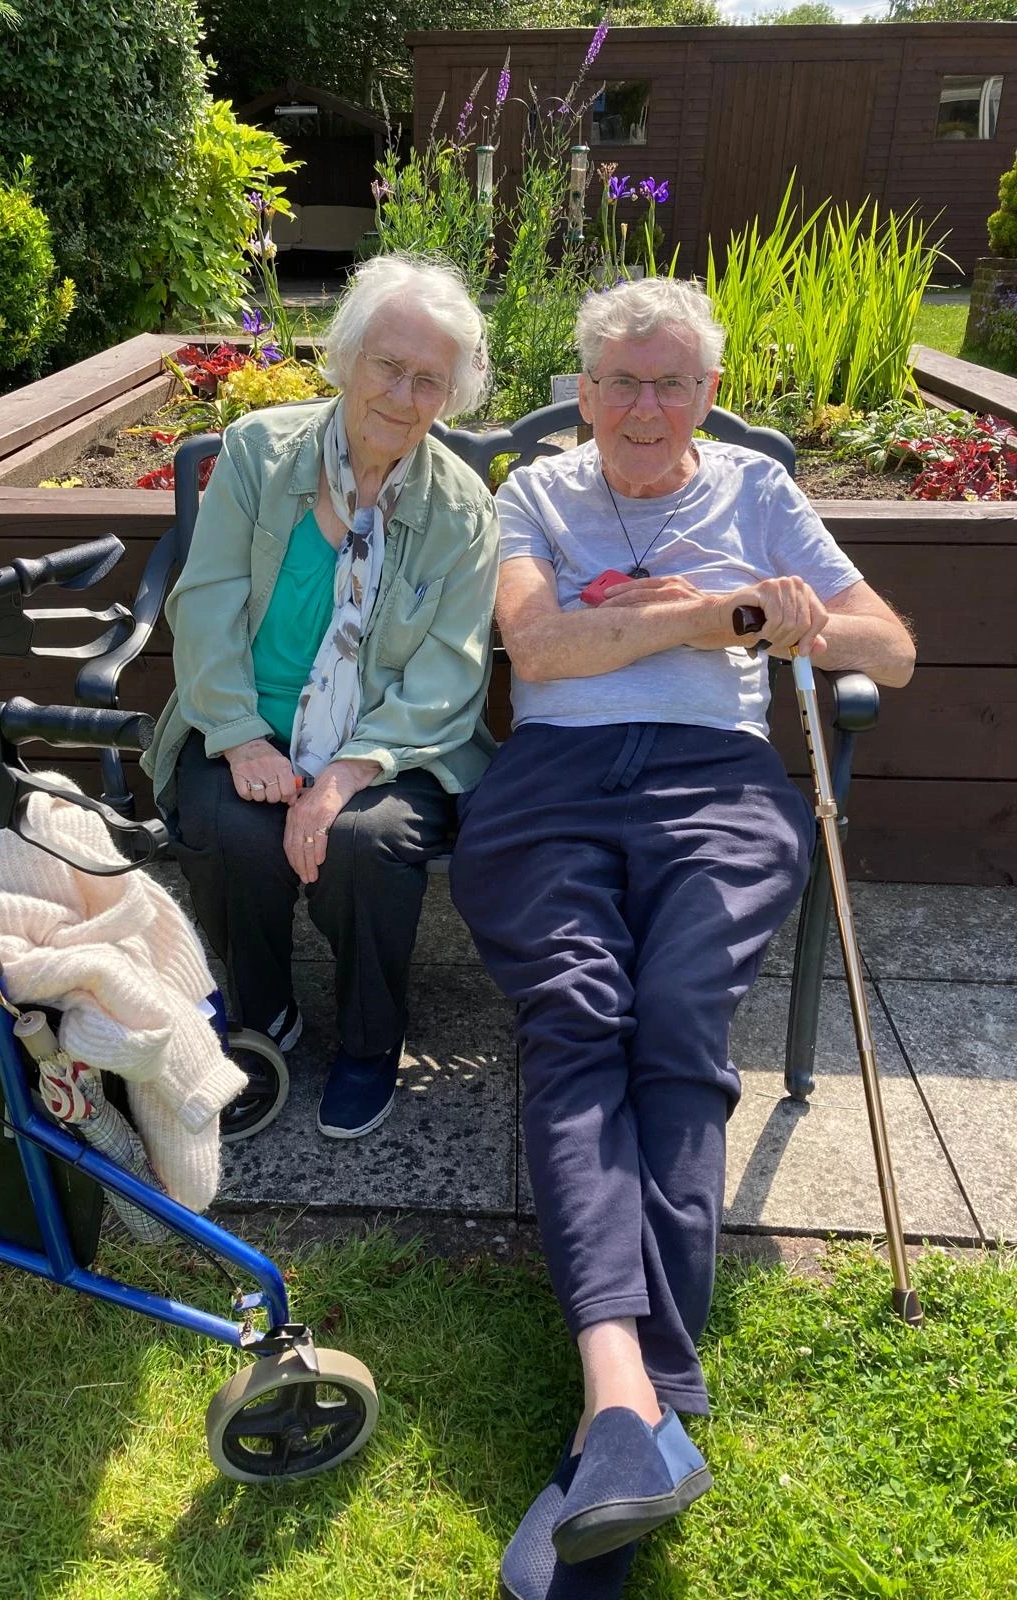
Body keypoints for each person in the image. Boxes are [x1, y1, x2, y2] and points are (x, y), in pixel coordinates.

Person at [449, 277, 915, 1600]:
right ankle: (636, 1396)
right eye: (620, 382)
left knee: (680, 1019)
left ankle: (620, 1421)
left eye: (673, 383)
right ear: (582, 394)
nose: (646, 407)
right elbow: (536, 641)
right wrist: (714, 615)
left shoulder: (763, 494)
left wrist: (818, 621)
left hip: (720, 785)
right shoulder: (533, 495)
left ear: (709, 394)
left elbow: (896, 644)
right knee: (576, 1016)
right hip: (551, 788)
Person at [145, 254, 499, 1140]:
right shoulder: (262, 453)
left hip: (392, 745)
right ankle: (265, 1019)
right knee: (229, 826)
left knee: (367, 841)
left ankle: (371, 1040)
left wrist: (345, 773)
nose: (403, 394)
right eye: (388, 365)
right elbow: (207, 602)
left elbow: (450, 672)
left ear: (449, 396)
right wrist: (235, 735)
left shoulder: (462, 510)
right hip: (247, 719)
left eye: (429, 379)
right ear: (346, 357)